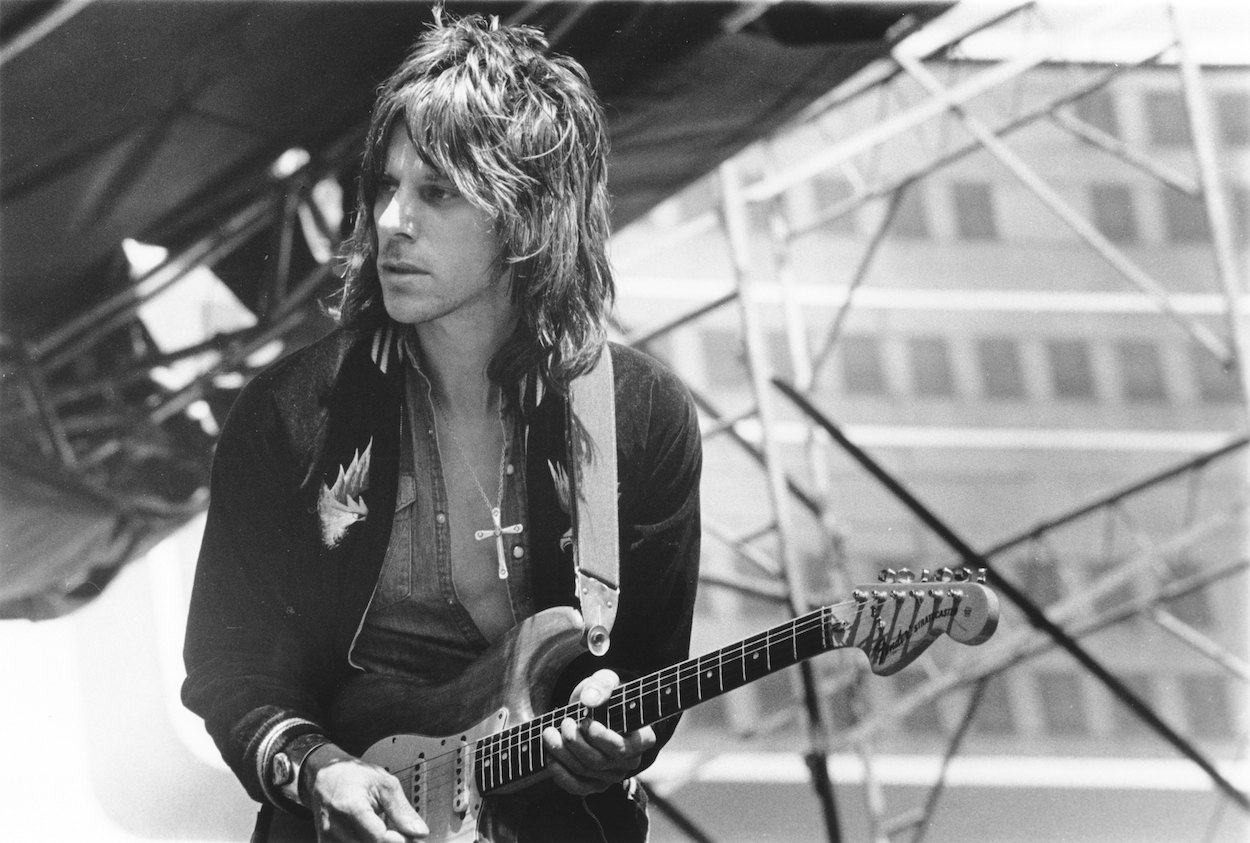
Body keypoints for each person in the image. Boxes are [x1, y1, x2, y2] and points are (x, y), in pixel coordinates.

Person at [182, 9, 702, 843]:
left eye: (436, 192)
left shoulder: (642, 419)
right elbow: (228, 665)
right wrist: (322, 768)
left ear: (526, 215)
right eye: (385, 187)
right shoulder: (289, 413)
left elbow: (646, 667)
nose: (391, 222)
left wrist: (620, 736)